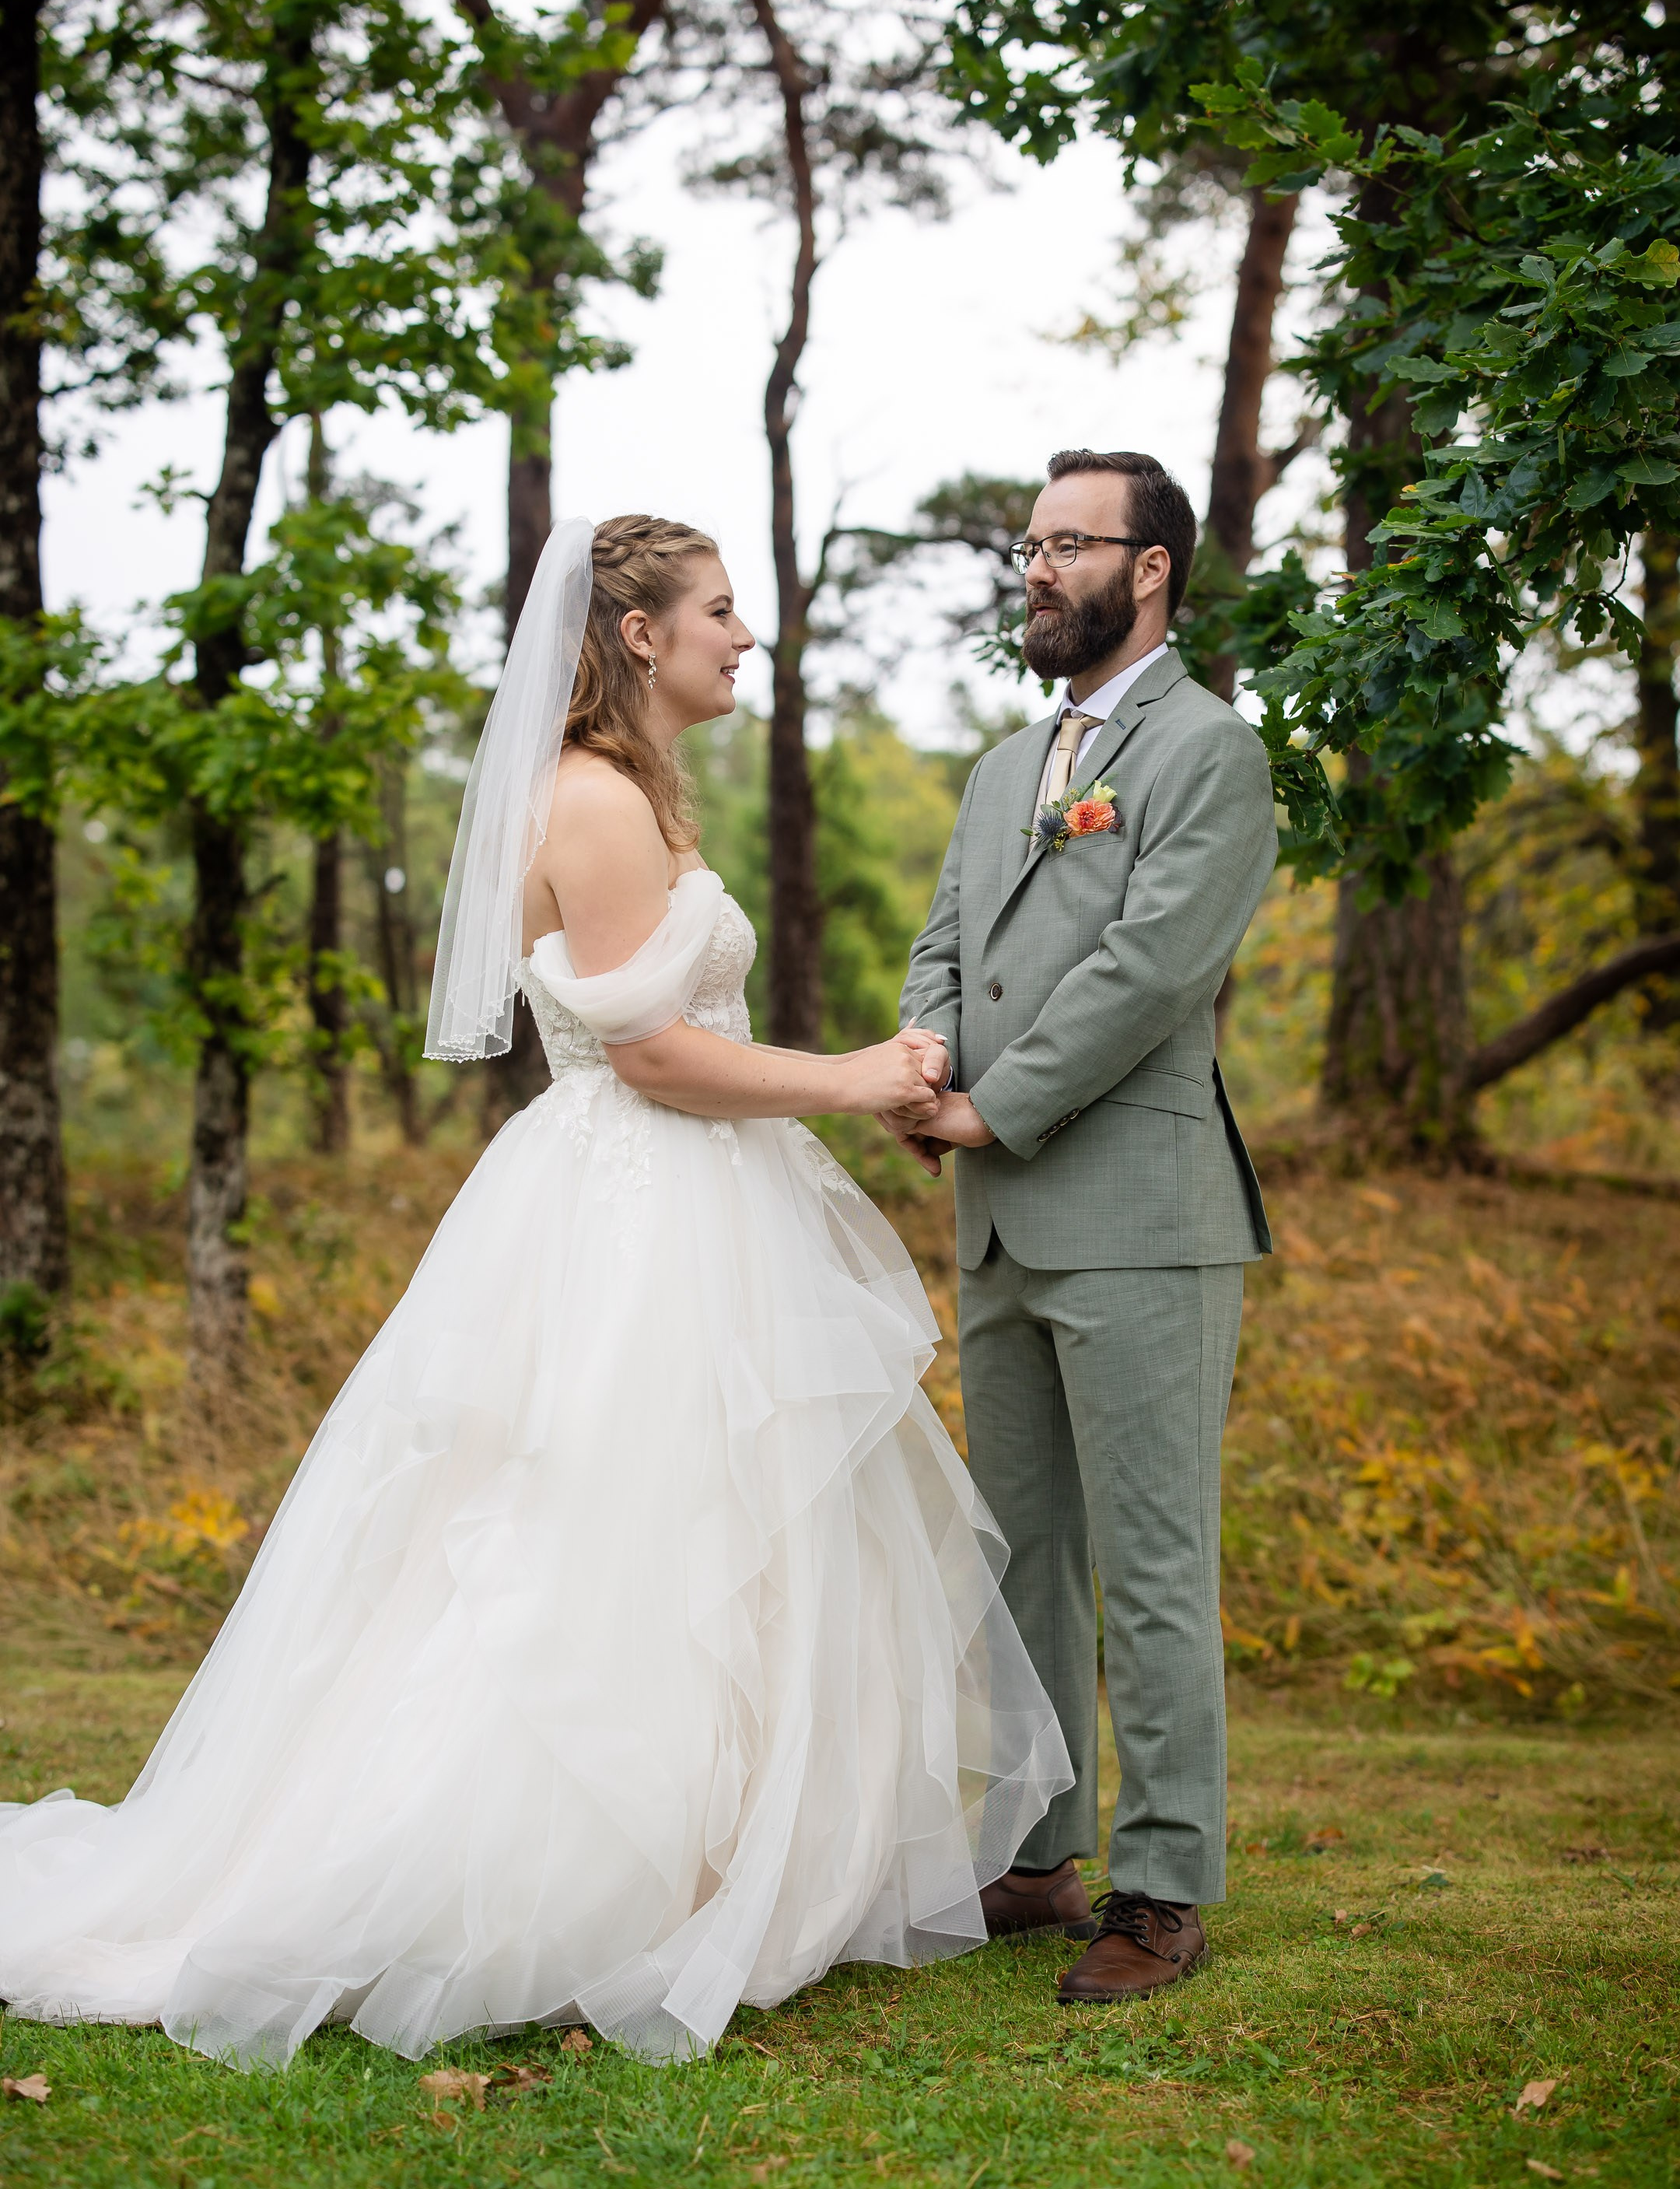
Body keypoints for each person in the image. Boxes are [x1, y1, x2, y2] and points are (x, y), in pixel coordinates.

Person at [0, 513, 1069, 2068]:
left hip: (684, 1199)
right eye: (719, 611)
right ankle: (564, 1889)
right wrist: (851, 1079)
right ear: (639, 634)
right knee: (610, 1536)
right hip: (636, 1210)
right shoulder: (596, 802)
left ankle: (701, 1870)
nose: (743, 637)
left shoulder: (635, 791)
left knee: (698, 1529)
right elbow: (653, 1055)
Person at [888, 449, 1276, 2002]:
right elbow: (943, 939)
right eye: (1031, 546)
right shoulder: (1005, 765)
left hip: (1139, 1215)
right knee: (1022, 1554)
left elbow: (1155, 969)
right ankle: (1040, 1851)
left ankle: (1163, 1883)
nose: (1038, 569)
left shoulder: (1212, 752)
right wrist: (926, 1062)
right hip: (998, 1219)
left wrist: (999, 1105)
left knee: (1153, 1557)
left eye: (1069, 544)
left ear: (1151, 567)